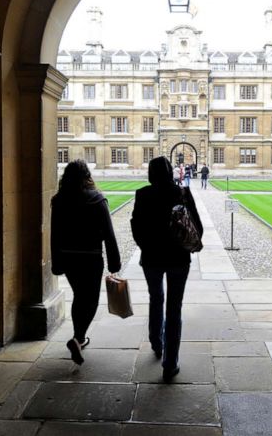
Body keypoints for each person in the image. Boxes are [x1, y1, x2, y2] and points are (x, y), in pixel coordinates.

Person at [131, 156, 203, 381]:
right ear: (170, 171)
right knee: (174, 308)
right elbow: (197, 227)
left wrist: (146, 246)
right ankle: (170, 364)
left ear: (151, 174)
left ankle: (156, 342)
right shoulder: (181, 193)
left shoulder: (143, 194)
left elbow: (136, 226)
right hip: (178, 258)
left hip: (151, 257)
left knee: (155, 298)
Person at [50, 160, 121, 365]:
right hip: (91, 257)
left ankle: (78, 337)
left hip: (70, 257)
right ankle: (79, 337)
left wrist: (57, 262)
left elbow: (55, 235)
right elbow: (109, 233)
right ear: (87, 176)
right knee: (89, 300)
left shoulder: (60, 200)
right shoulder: (97, 200)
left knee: (79, 296)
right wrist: (114, 264)